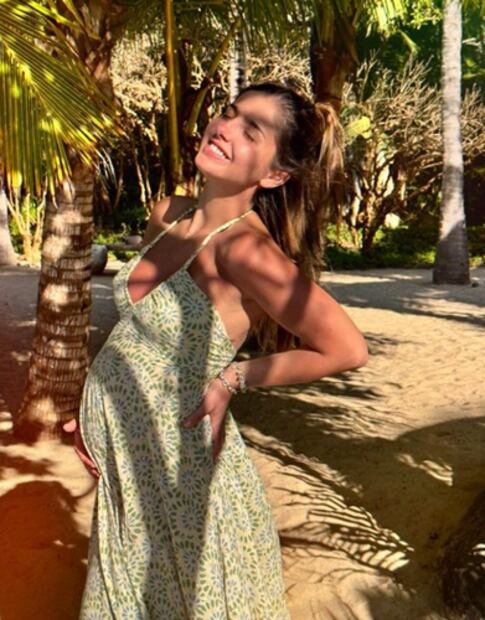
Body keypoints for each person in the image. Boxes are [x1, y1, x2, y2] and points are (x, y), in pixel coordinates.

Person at [64, 81, 368, 619]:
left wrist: (234, 378)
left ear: (275, 175)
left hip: (185, 480)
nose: (224, 129)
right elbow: (141, 339)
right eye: (228, 113)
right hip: (132, 467)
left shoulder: (244, 249)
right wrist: (93, 414)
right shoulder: (168, 214)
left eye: (251, 132)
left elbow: (345, 348)